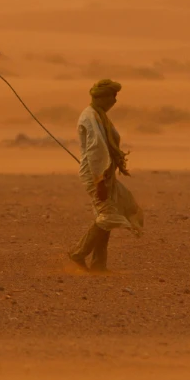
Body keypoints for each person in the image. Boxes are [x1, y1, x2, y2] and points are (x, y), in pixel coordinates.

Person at [68, 78, 143, 270]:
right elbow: (96, 150)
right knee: (108, 216)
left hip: (105, 173)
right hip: (96, 174)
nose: (115, 101)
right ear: (102, 97)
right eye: (113, 96)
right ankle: (78, 253)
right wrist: (99, 181)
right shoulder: (90, 117)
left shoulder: (99, 115)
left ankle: (98, 265)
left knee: (108, 215)